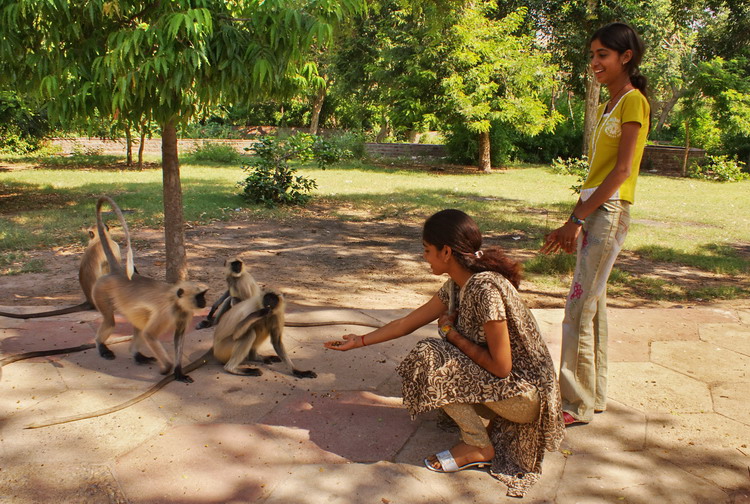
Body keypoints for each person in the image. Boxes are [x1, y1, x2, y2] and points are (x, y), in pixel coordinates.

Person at [325, 209, 564, 498]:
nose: (425, 257)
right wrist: (359, 341)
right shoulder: (456, 284)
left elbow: (501, 367)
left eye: (427, 250)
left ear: (446, 251)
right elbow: (406, 323)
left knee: (429, 357)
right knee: (437, 350)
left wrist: (451, 334)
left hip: (525, 399)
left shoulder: (485, 289)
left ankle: (478, 445)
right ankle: (472, 427)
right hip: (511, 390)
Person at [541, 22, 650, 426]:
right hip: (594, 212)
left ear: (626, 57)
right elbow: (597, 173)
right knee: (594, 307)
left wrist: (576, 219)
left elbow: (622, 171)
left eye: (603, 54)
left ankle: (574, 404)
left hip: (609, 213)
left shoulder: (633, 102)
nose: (594, 62)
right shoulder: (610, 104)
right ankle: (592, 397)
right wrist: (575, 215)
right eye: (592, 55)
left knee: (577, 310)